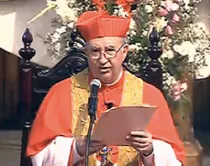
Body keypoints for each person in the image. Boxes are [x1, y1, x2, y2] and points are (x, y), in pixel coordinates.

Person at [26, 10, 185, 166]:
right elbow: (39, 155)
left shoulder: (150, 94)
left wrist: (150, 150)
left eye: (110, 51)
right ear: (86, 53)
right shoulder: (61, 92)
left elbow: (174, 159)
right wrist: (77, 148)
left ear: (124, 52)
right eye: (95, 51)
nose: (102, 60)